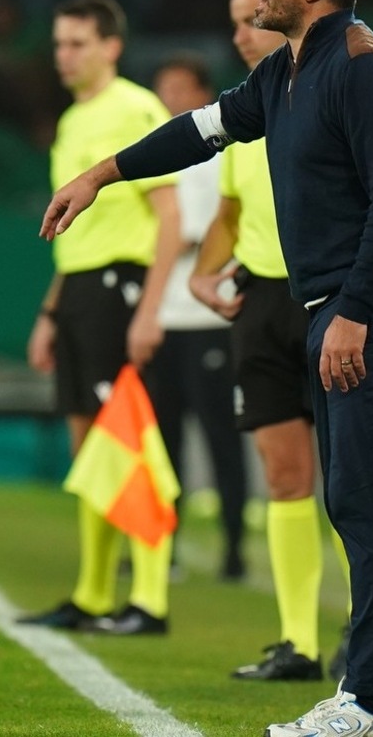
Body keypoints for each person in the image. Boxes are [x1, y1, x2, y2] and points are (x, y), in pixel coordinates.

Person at [41, 0, 373, 734]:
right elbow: (199, 132)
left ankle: (372, 702)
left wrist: (354, 312)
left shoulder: (363, 68)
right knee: (356, 500)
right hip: (336, 305)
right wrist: (102, 174)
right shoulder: (286, 71)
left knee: (363, 501)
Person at [188, 0, 352, 684]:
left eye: (248, 19)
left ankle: (364, 628)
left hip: (332, 303)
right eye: (232, 22)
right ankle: (298, 643)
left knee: (349, 481)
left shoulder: (332, 93)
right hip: (260, 304)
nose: (238, 34)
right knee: (285, 477)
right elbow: (229, 212)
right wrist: (202, 275)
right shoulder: (245, 117)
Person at [19, 0, 181, 636]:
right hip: (81, 290)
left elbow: (170, 217)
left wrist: (151, 309)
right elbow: (73, 234)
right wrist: (50, 312)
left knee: (131, 439)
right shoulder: (71, 121)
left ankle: (149, 599)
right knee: (89, 447)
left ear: (112, 46)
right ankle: (91, 593)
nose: (64, 55)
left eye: (77, 43)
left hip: (123, 287)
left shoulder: (136, 109)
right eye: (59, 44)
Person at [146, 52, 249, 583]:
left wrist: (163, 241)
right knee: (163, 443)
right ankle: (162, 549)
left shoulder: (216, 158)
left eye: (180, 87)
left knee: (220, 437)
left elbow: (207, 230)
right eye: (163, 87)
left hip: (208, 319)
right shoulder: (154, 156)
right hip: (162, 319)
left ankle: (234, 547)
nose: (170, 97)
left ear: (203, 94)